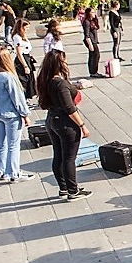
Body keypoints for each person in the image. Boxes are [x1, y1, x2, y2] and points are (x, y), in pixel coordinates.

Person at [37, 49, 93, 201]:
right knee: (69, 158)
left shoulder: (45, 79)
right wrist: (82, 125)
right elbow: (70, 109)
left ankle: (63, 188)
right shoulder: (60, 84)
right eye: (64, 60)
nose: (66, 63)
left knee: (58, 156)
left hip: (51, 120)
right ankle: (73, 191)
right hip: (65, 123)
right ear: (59, 63)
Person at [0, 46, 32, 182]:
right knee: (13, 145)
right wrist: (25, 114)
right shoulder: (9, 77)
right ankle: (14, 172)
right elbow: (17, 99)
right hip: (10, 114)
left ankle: (0, 170)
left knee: (1, 143)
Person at [12, 19, 37, 97]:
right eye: (26, 27)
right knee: (24, 80)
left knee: (30, 79)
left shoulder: (23, 36)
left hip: (27, 57)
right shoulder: (17, 37)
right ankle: (23, 98)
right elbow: (19, 53)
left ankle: (27, 97)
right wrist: (25, 65)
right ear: (21, 27)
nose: (27, 30)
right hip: (22, 59)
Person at [82, 9, 103, 78]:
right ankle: (93, 72)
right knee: (95, 55)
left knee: (93, 55)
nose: (94, 13)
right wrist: (90, 44)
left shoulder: (92, 21)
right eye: (92, 12)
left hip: (93, 40)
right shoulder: (86, 22)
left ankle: (93, 71)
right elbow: (86, 35)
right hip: (90, 41)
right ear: (88, 13)